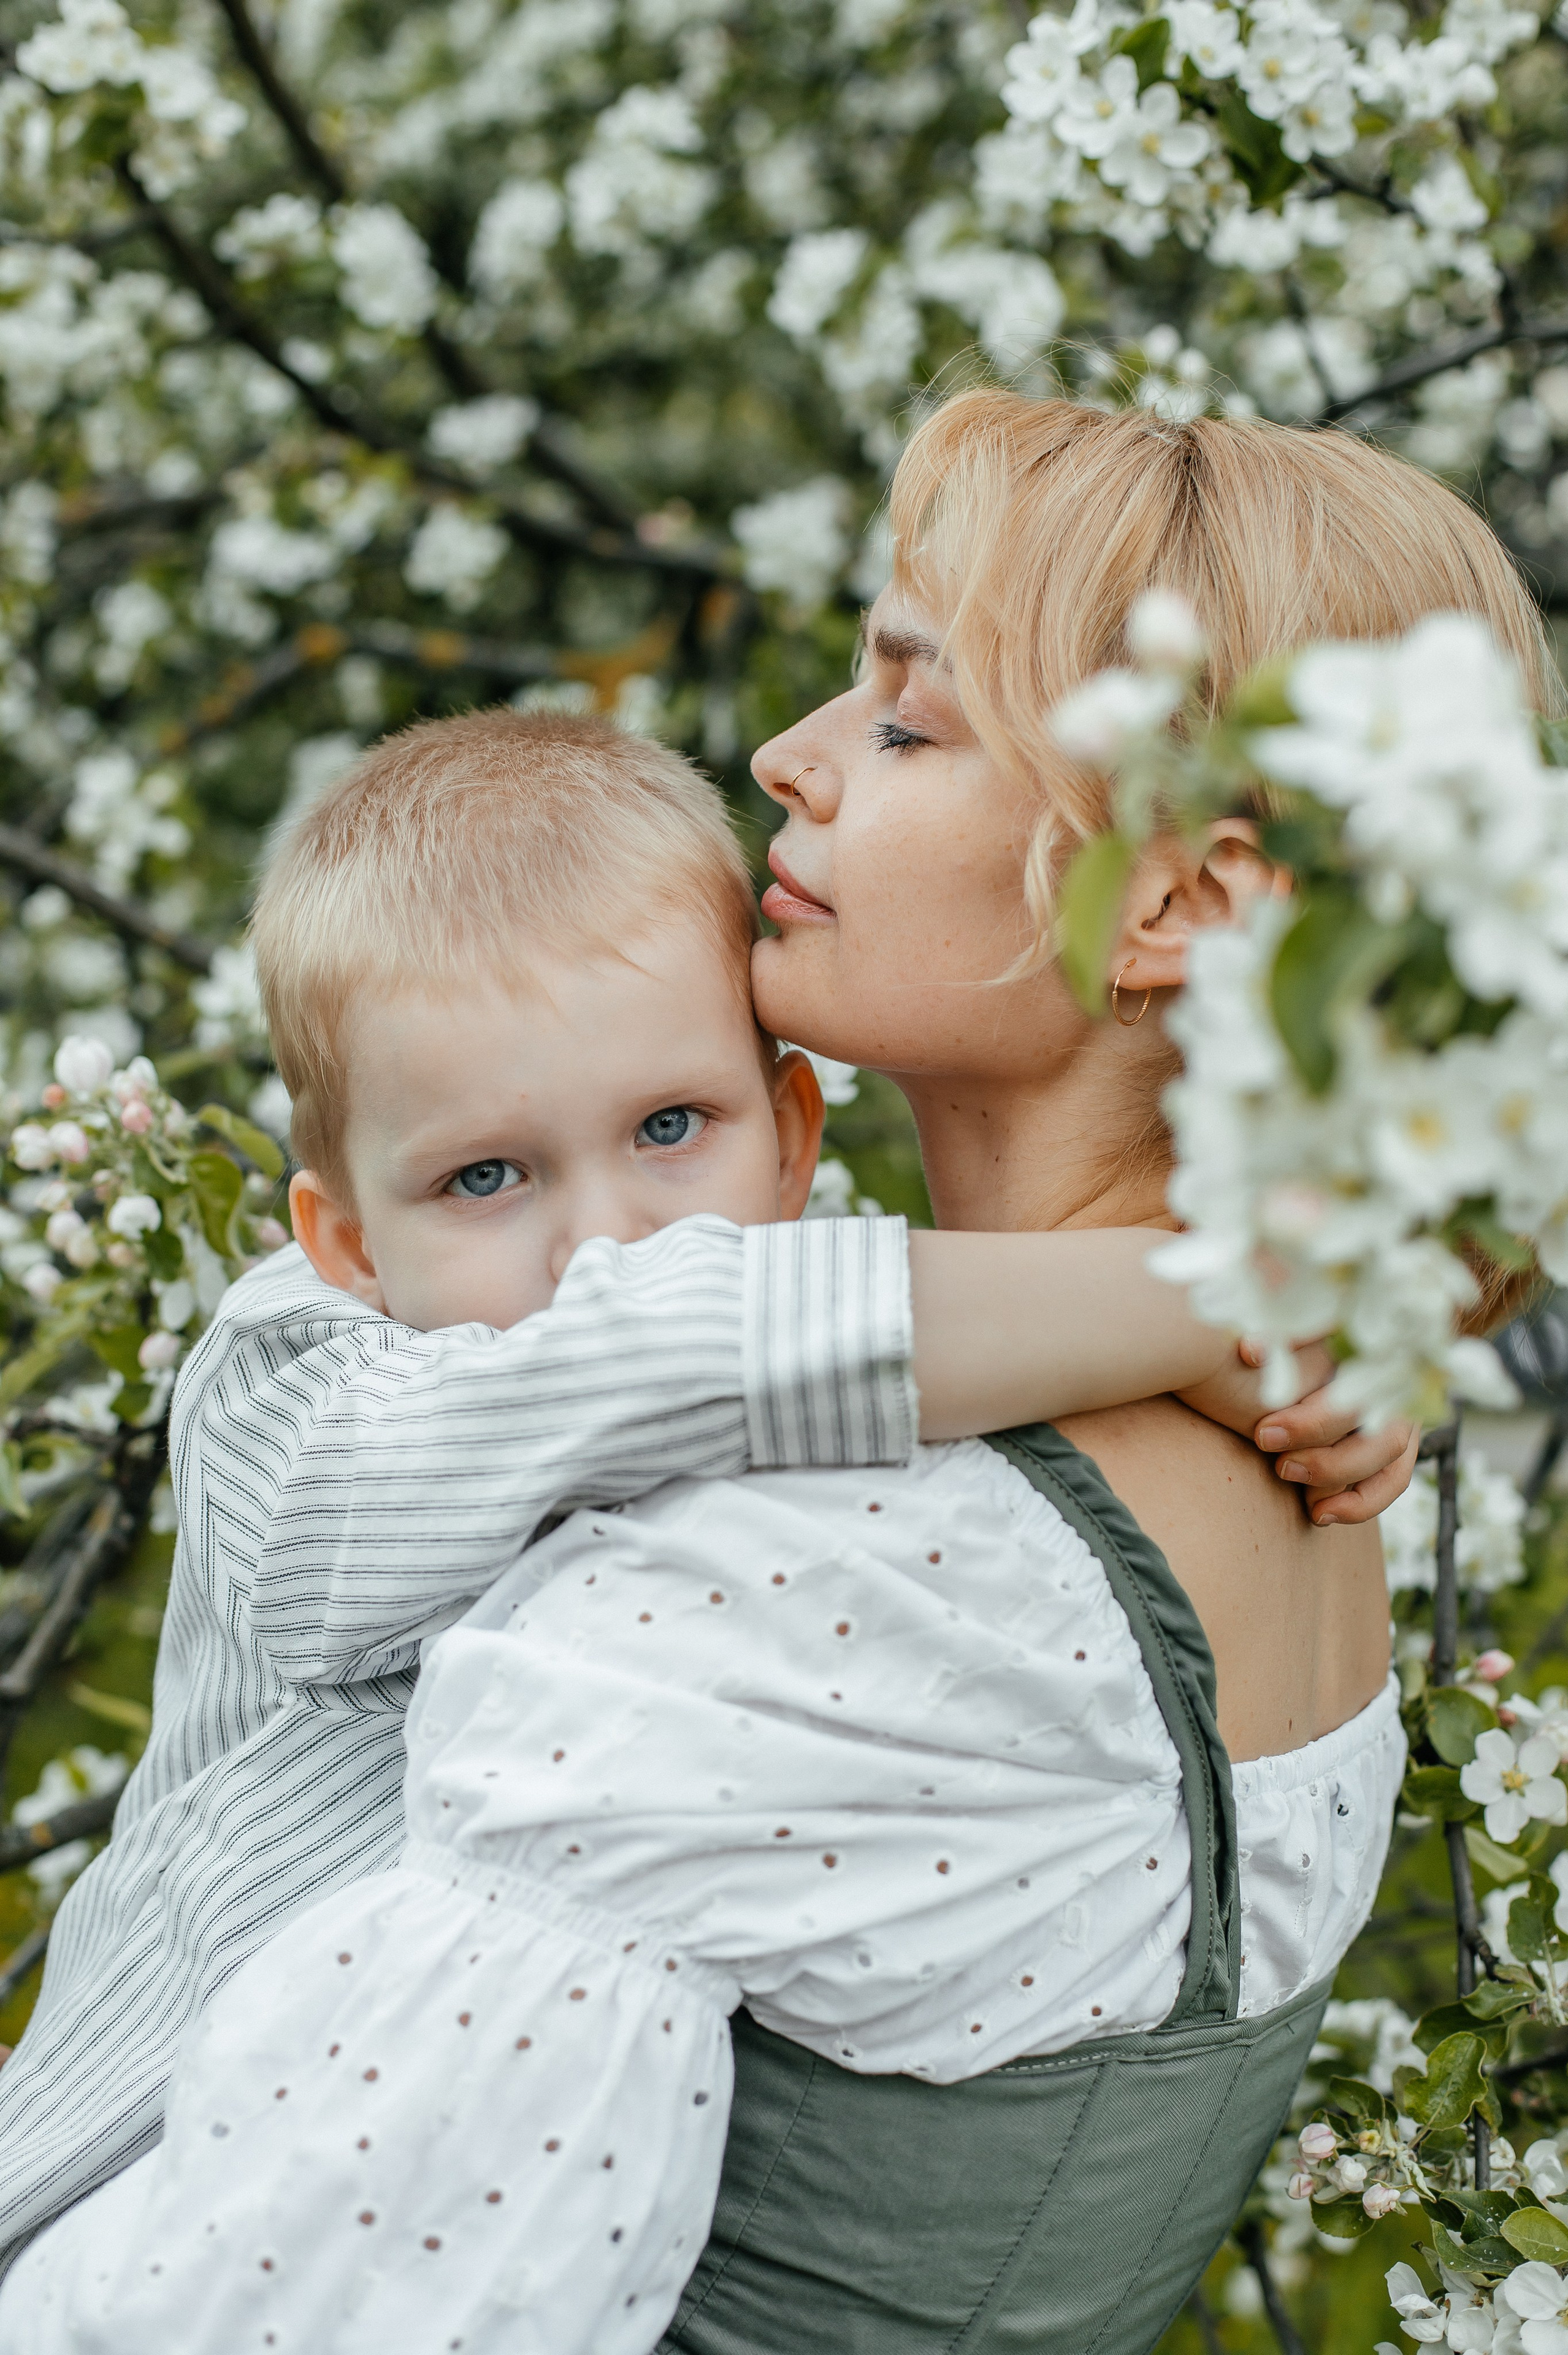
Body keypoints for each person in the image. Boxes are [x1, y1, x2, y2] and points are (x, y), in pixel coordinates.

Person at [0, 703, 1407, 2354]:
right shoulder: (299, 1379)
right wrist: (1211, 1311)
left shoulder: (833, 1365)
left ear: (797, 1134)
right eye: (485, 1180)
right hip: (139, 2174)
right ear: (344, 1238)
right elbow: (658, 1346)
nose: (605, 1243)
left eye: (674, 1129)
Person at [644, 391, 1561, 2355]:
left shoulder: (920, 1568)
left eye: (906, 720)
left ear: (1168, 906)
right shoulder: (1277, 1466)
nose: (785, 758)